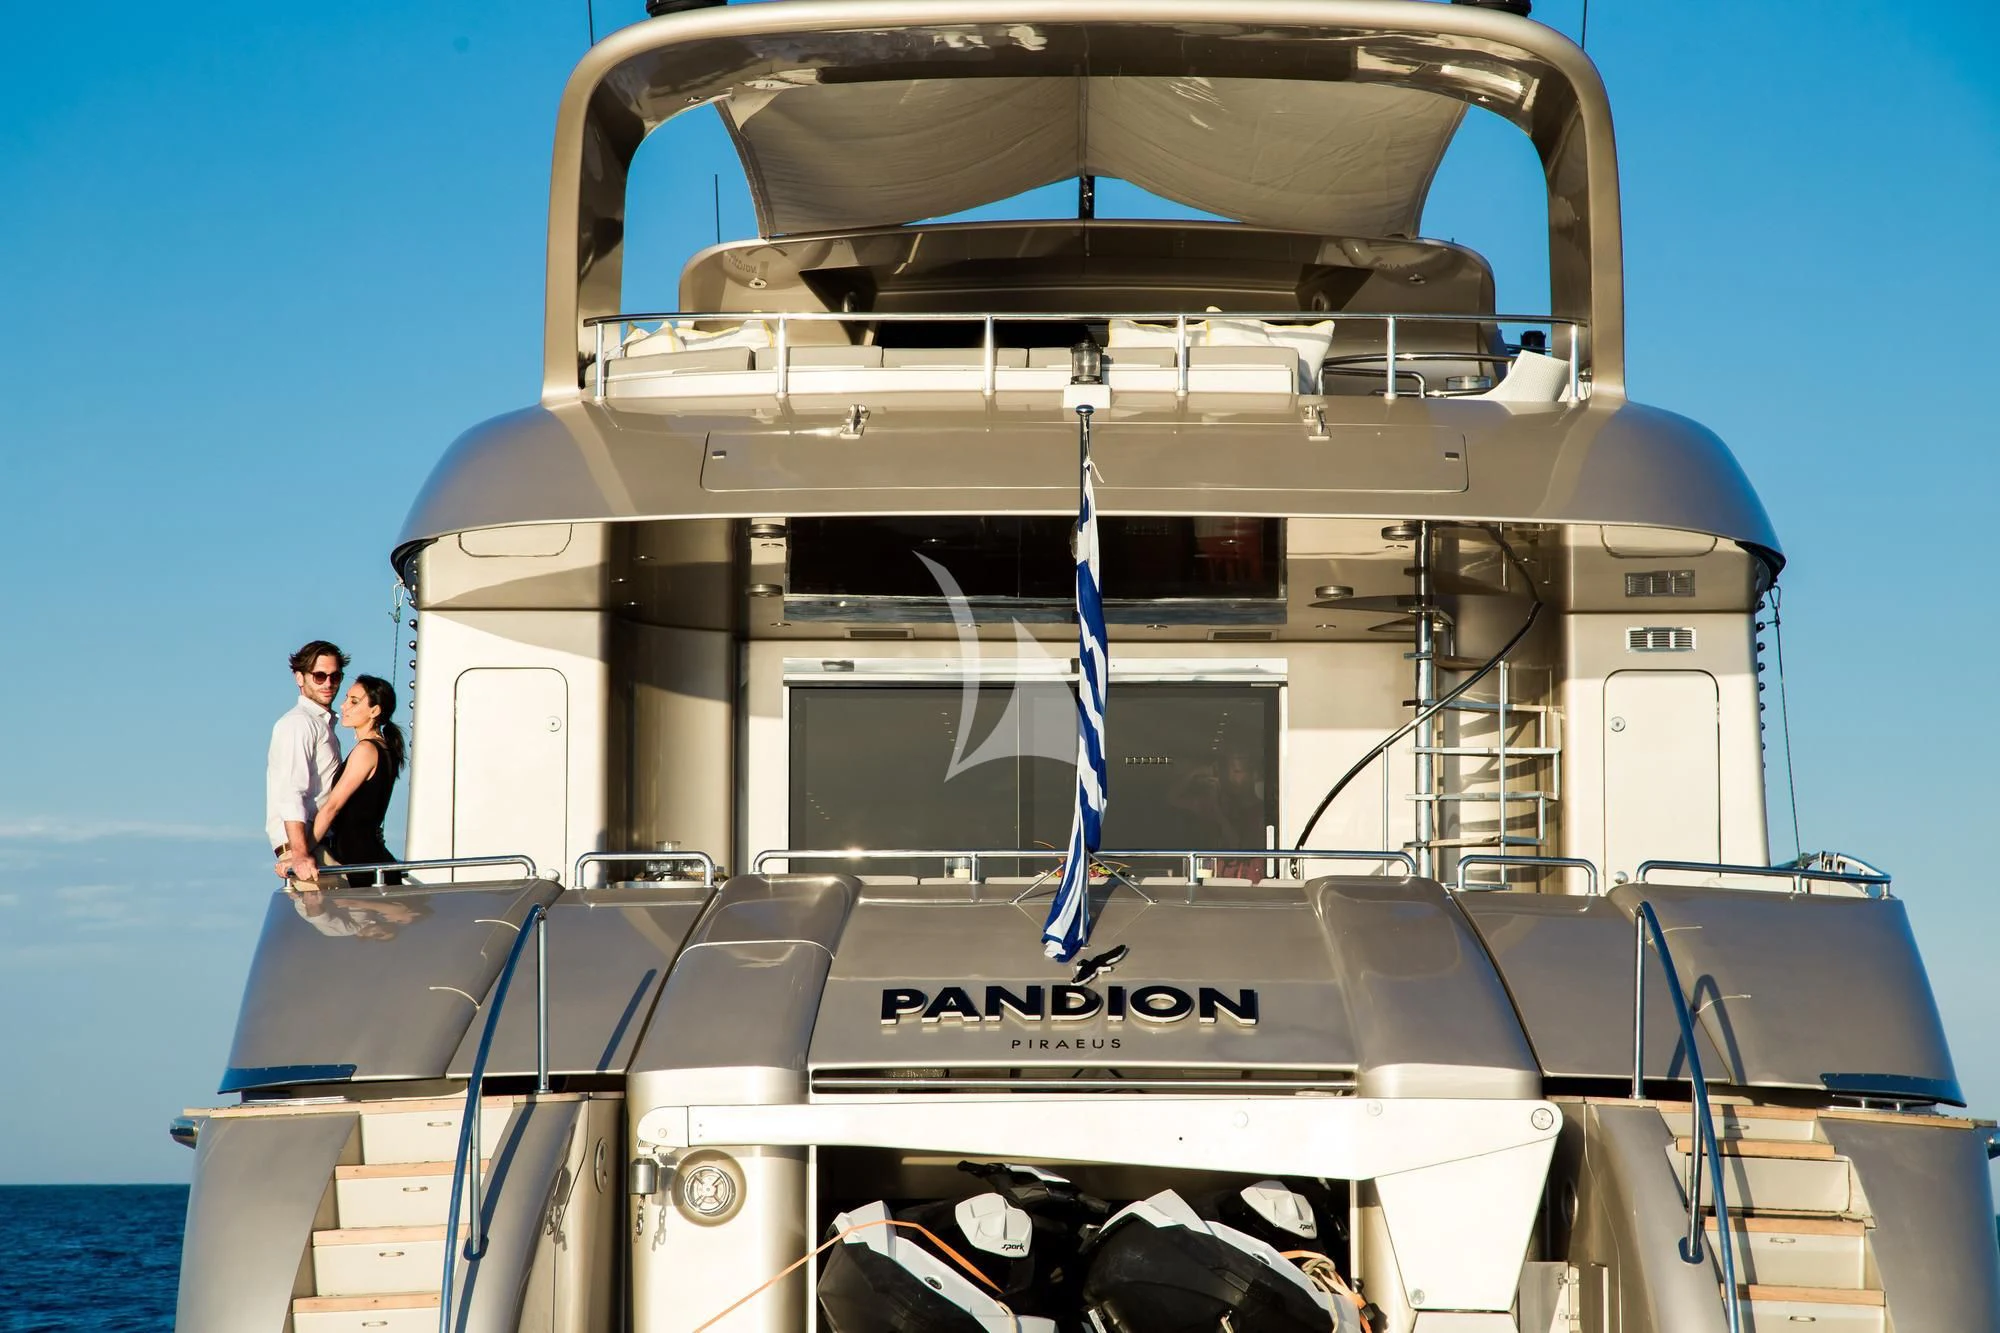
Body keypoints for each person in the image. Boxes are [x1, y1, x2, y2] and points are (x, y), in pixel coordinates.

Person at [311, 674, 408, 887]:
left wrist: (301, 852)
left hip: (359, 860)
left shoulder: (366, 750)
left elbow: (332, 807)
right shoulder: (384, 749)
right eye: (346, 698)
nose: (344, 706)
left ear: (375, 711)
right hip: (370, 856)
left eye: (354, 701)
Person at [268, 640, 347, 883]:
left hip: (320, 846)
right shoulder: (298, 723)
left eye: (335, 677)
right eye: (319, 676)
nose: (328, 684)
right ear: (299, 678)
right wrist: (300, 854)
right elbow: (292, 791)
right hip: (307, 850)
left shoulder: (322, 724)